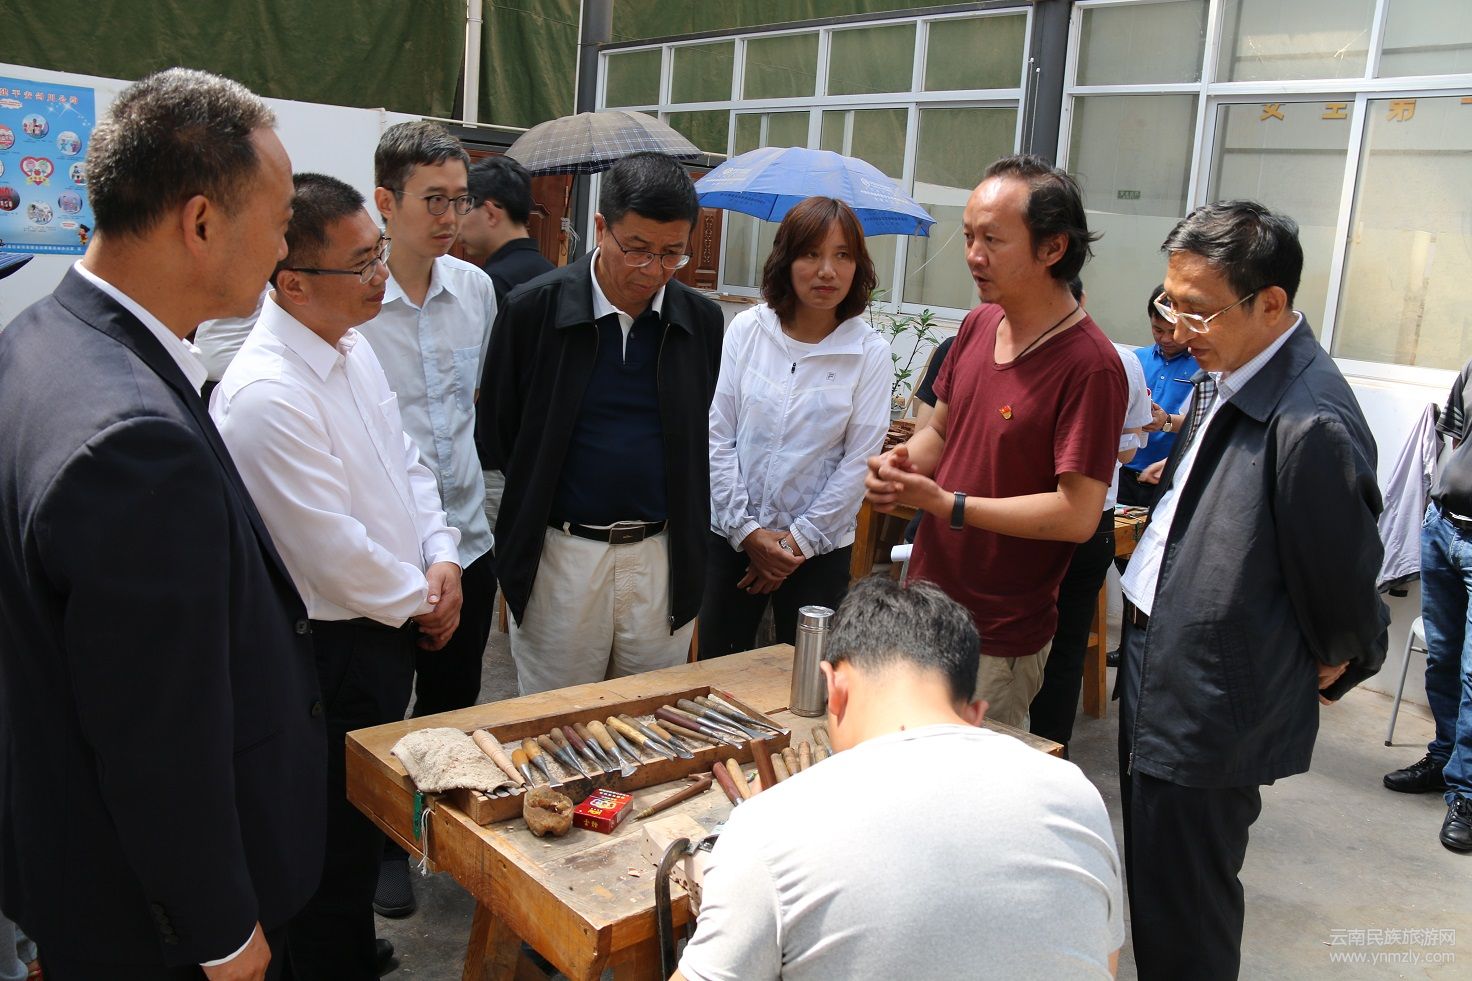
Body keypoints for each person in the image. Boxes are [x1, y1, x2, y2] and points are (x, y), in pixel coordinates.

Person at [0, 67, 323, 980]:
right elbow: (157, 738)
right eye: (279, 218)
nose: (284, 244)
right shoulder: (134, 442)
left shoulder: (37, 340)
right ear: (201, 222)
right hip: (151, 917)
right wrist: (221, 931)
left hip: (66, 847)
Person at [1117, 201, 1388, 979]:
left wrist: (1342, 654)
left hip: (1211, 690)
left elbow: (1341, 576)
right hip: (1164, 654)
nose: (1180, 327)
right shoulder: (1229, 370)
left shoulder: (1311, 421)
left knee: (1186, 906)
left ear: (1271, 303)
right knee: (1158, 882)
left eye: (1199, 310)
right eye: (1171, 302)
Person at [212, 173, 463, 977]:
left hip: (387, 622)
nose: (380, 275)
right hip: (325, 650)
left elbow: (407, 463)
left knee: (358, 824)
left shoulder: (350, 348)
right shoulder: (266, 395)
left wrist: (442, 553)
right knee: (317, 841)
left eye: (378, 253)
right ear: (291, 282)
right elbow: (329, 549)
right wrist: (423, 598)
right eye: (361, 264)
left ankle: (350, 947)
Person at [674, 576, 1123, 981]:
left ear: (834, 688)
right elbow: (1105, 963)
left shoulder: (768, 829)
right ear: (972, 708)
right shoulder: (1076, 794)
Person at [865, 154, 1127, 729]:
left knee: (968, 781)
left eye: (992, 239)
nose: (973, 255)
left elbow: (1077, 514)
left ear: (1052, 248)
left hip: (996, 633)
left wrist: (949, 504)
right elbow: (941, 431)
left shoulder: (1090, 366)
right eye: (968, 237)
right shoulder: (979, 324)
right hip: (925, 603)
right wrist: (902, 464)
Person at [479, 151, 724, 694]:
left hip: (661, 556)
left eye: (672, 253)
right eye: (636, 248)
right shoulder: (533, 311)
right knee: (557, 720)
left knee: (651, 714)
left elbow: (698, 436)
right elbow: (498, 436)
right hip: (561, 556)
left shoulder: (701, 322)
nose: (652, 270)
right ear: (600, 227)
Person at [357, 121, 497, 917]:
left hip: (467, 539)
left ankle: (432, 833)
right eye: (432, 199)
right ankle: (381, 845)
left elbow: (474, 407)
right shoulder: (353, 298)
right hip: (385, 553)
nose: (450, 217)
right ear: (386, 200)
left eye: (460, 199)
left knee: (452, 706)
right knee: (380, 708)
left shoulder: (474, 290)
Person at [701, 196, 889, 658]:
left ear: (858, 266)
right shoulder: (748, 329)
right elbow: (718, 435)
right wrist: (747, 533)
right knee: (717, 670)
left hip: (818, 553)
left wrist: (792, 544)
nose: (827, 271)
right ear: (785, 259)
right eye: (811, 254)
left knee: (805, 680)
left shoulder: (868, 352)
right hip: (732, 540)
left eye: (842, 255)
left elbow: (859, 463)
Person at [1029, 278, 1153, 753]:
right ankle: (1050, 751)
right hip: (1090, 519)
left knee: (1030, 641)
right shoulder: (1120, 358)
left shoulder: (1033, 351)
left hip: (1038, 520)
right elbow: (1127, 450)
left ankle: (1028, 751)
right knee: (1065, 645)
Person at [1383, 356, 1472, 852]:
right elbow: (1456, 441)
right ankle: (1445, 759)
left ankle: (1468, 793)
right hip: (1444, 528)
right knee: (1442, 659)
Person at [1121, 284, 1199, 507]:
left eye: (1173, 331)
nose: (1165, 338)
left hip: (1167, 476)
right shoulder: (1136, 360)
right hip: (1124, 471)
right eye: (1157, 330)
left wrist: (1166, 422)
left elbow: (1204, 423)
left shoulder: (1203, 366)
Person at [460, 155, 555, 303]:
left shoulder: (491, 282)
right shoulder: (555, 276)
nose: (456, 223)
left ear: (491, 214)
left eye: (463, 210)